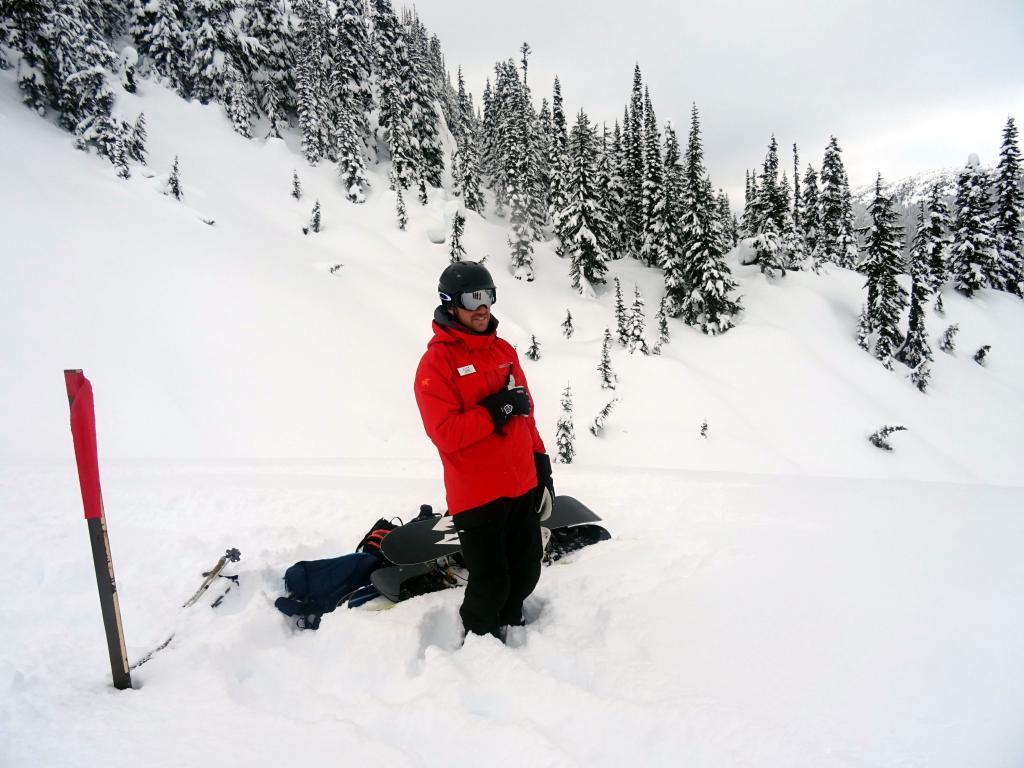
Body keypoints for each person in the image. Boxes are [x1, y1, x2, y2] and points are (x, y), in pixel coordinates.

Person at [414, 261, 554, 640]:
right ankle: (480, 642)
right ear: (450, 304)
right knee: (490, 581)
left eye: (488, 297)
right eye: (473, 298)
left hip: (521, 484)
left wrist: (542, 467)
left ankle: (512, 624)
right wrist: (497, 408)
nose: (483, 307)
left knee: (526, 571)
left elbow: (527, 415)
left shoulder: (504, 350)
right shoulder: (436, 363)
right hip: (477, 496)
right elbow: (445, 432)